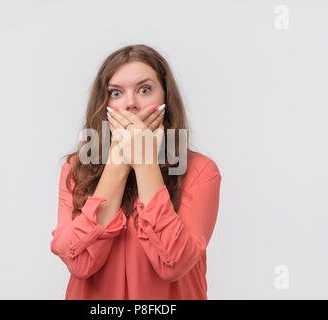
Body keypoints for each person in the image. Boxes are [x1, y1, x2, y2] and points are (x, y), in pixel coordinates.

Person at [50, 44, 222, 299]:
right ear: (103, 103)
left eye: (144, 89)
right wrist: (118, 164)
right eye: (116, 92)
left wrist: (144, 162)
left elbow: (173, 262)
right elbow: (79, 262)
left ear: (165, 98)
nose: (130, 103)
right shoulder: (75, 169)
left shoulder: (201, 171)